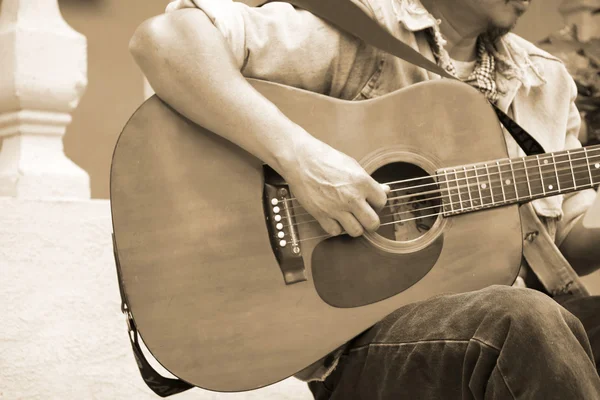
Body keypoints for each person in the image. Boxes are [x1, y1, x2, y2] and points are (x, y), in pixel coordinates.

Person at [129, 0, 600, 398]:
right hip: (365, 343)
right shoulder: (363, 29)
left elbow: (569, 242)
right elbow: (166, 39)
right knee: (521, 320)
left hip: (520, 329)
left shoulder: (545, 81)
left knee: (536, 319)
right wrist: (301, 159)